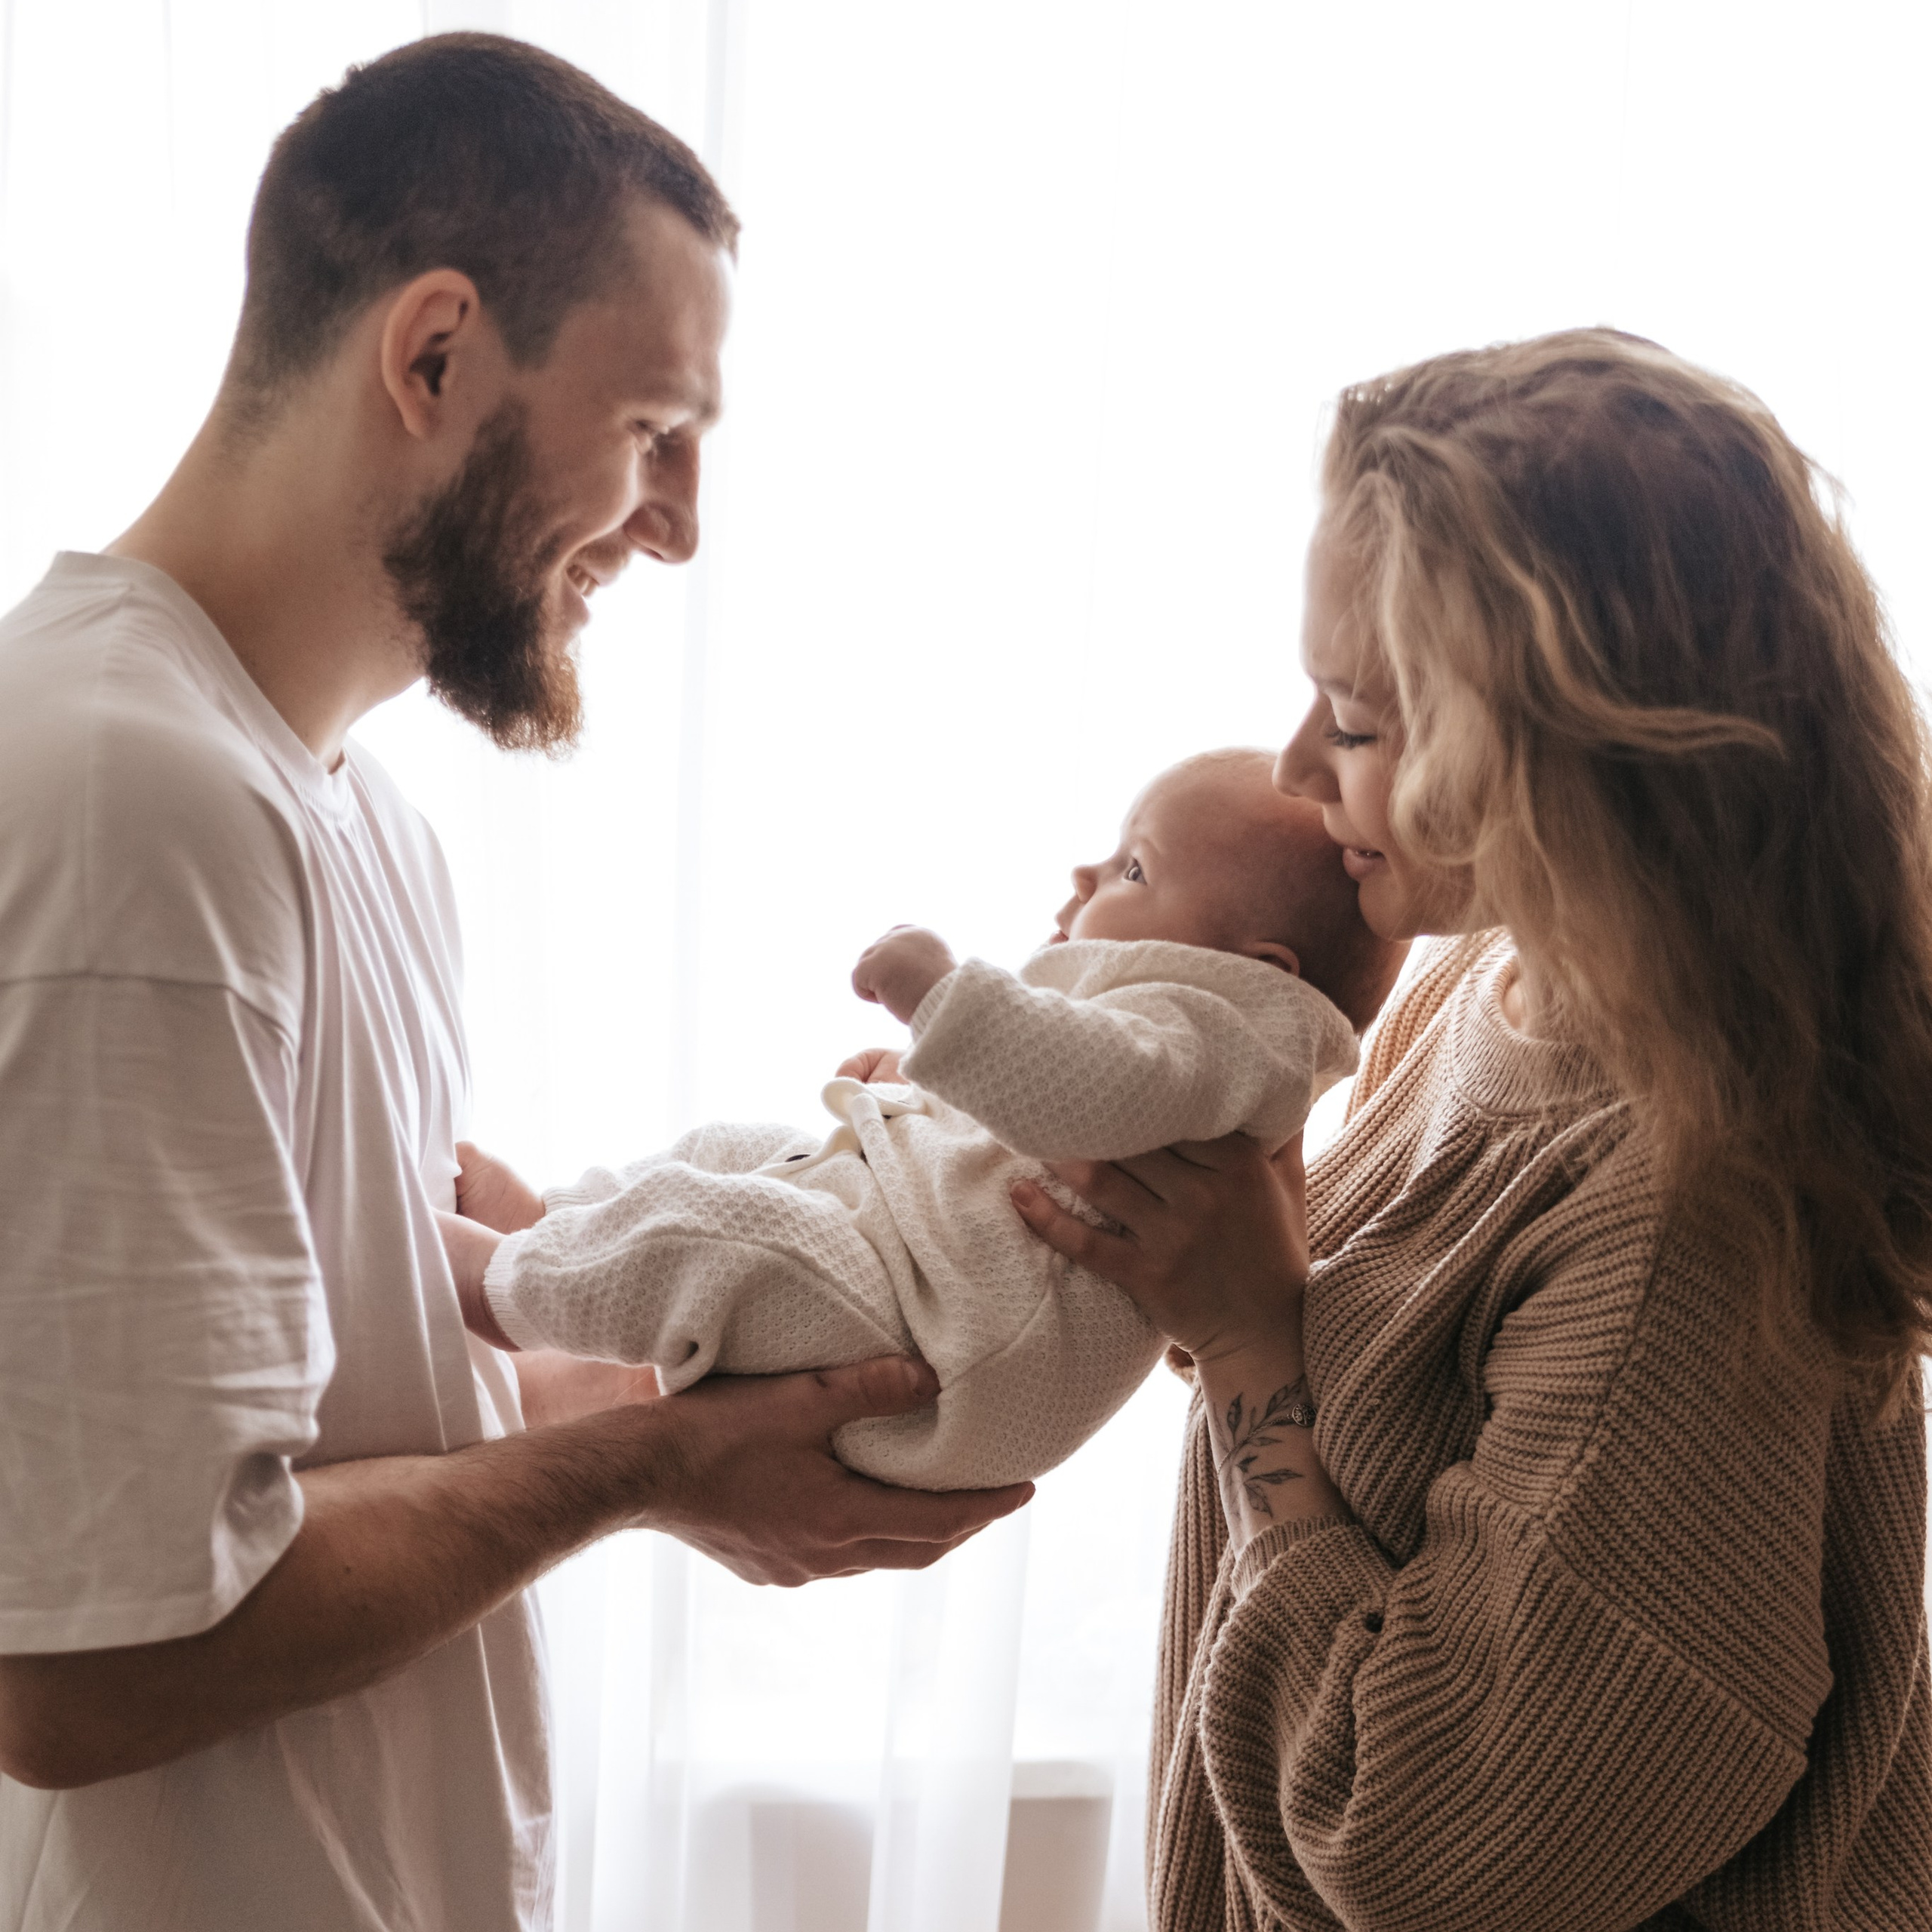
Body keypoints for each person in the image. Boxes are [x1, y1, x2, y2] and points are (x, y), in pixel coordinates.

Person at [0, 33, 1027, 1932]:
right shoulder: (121, 797)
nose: (679, 524)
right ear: (435, 353)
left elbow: (296, 1423)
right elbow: (87, 1663)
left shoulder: (344, 814)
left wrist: (601, 1378)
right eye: (652, 430)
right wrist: (653, 1463)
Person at [1014, 331, 1932, 1928]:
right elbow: (1367, 1384)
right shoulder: (1490, 992)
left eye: (1357, 722)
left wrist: (1242, 1341)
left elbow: (1431, 1852)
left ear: (1558, 757)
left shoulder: (1681, 1218)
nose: (1301, 773)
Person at [438, 751, 1408, 1491]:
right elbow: (1071, 1103)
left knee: (710, 1228)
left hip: (943, 1352)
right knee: (729, 1158)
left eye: (1135, 870)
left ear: (1257, 966)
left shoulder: (1233, 1030)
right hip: (918, 1268)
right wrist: (933, 1087)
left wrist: (942, 1002)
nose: (1084, 874)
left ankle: (500, 1280)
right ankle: (552, 1229)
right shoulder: (1185, 1050)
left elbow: (1087, 1080)